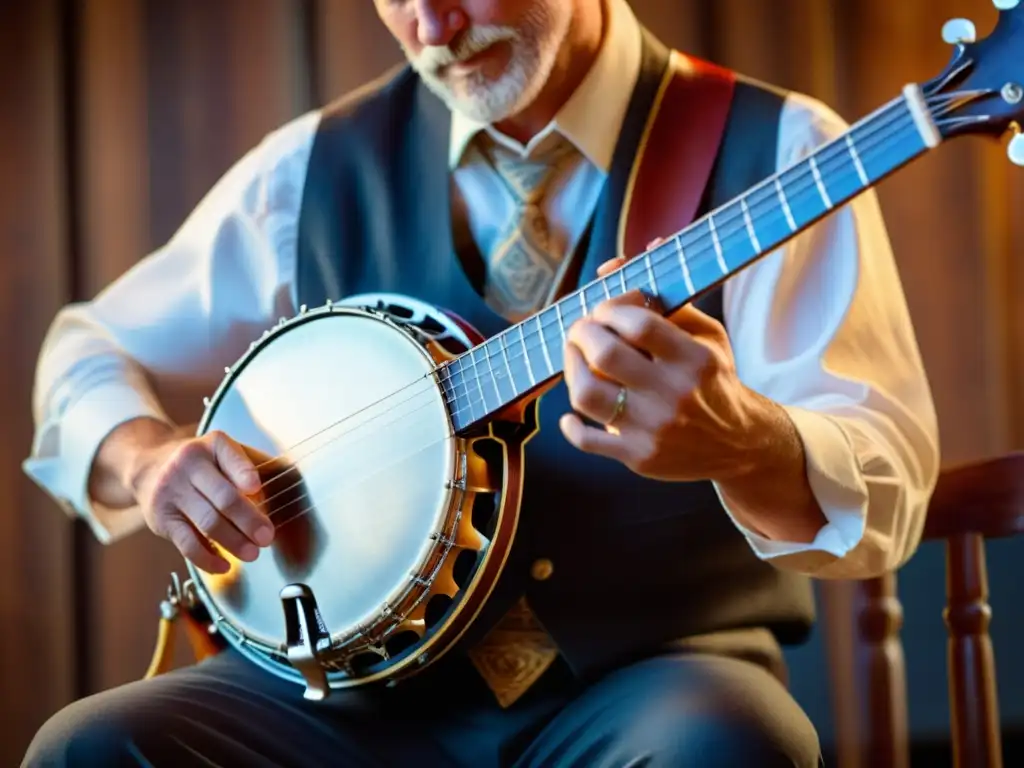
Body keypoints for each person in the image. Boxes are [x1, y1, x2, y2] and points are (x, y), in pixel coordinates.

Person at [22, 0, 940, 765]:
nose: (430, 24)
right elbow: (86, 351)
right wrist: (147, 463)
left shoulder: (778, 149)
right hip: (359, 702)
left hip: (649, 685)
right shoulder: (310, 170)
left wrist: (747, 444)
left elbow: (886, 468)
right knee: (90, 749)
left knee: (733, 744)